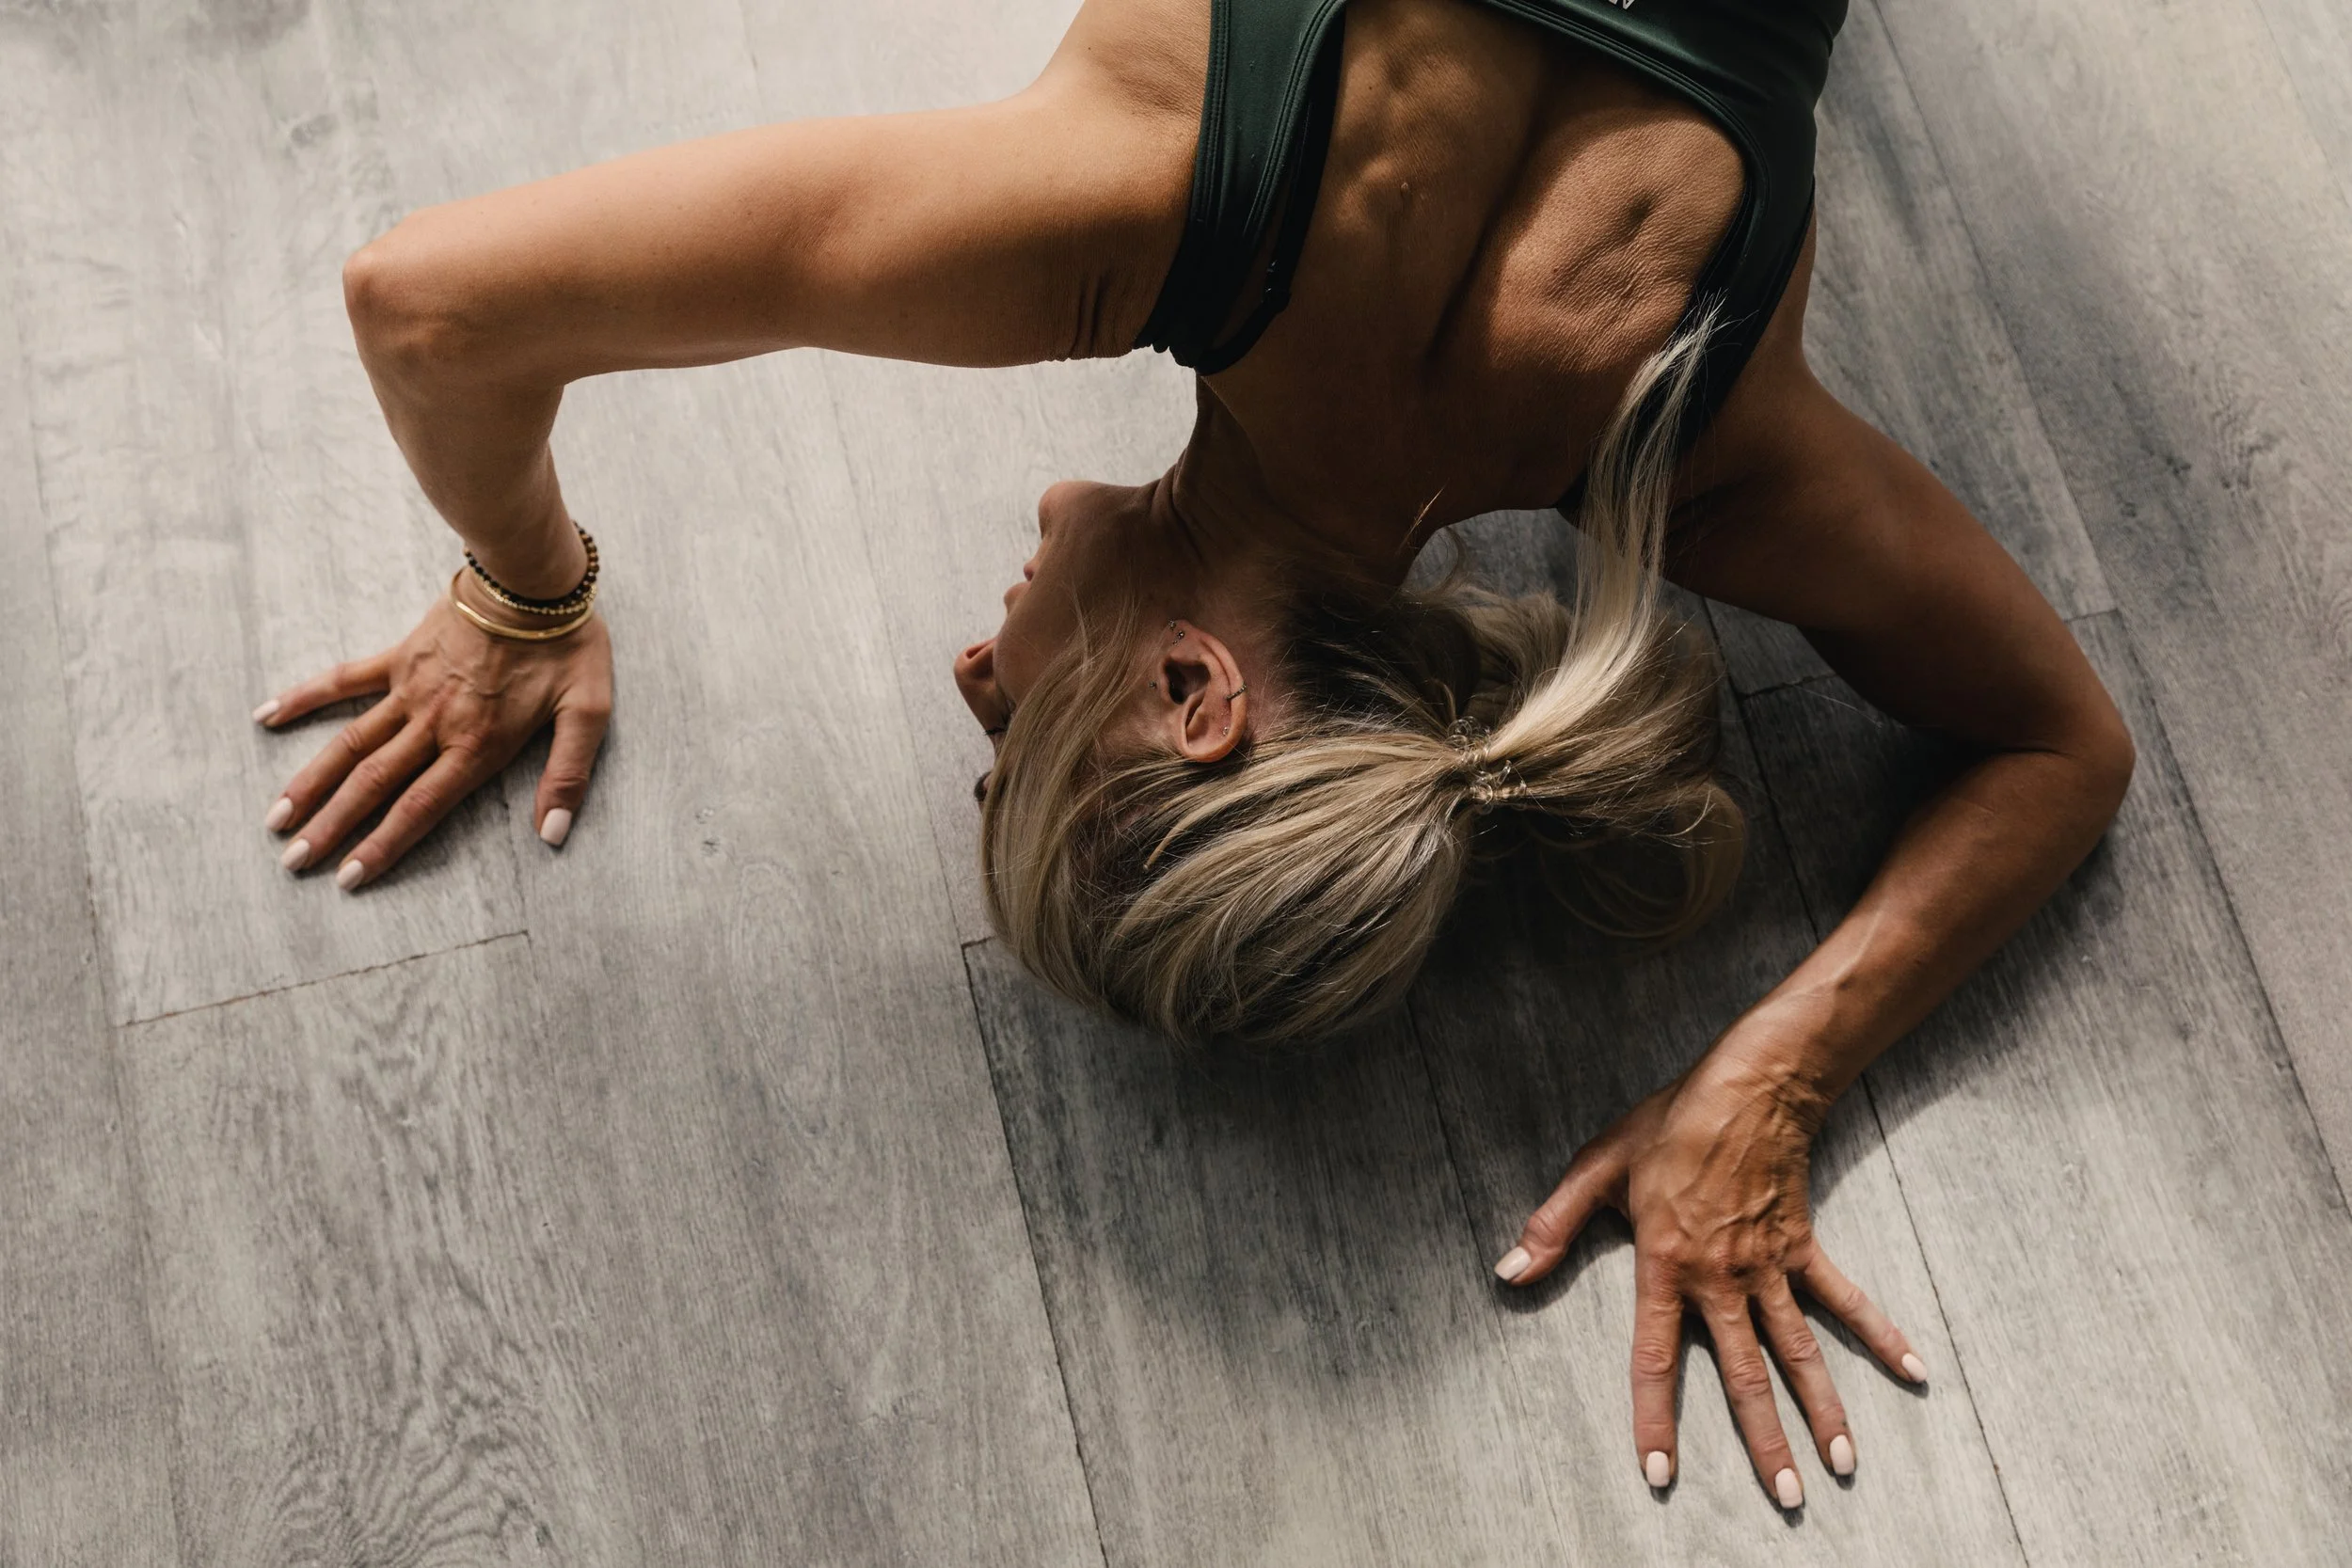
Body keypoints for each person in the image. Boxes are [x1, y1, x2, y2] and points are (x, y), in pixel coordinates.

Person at [249, 0, 2136, 1512]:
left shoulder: (1698, 445)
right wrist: (520, 593)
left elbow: (2060, 742)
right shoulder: (1132, 212)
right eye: (1013, 739)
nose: (969, 664)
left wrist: (1768, 1077)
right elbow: (423, 300)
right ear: (1189, 693)